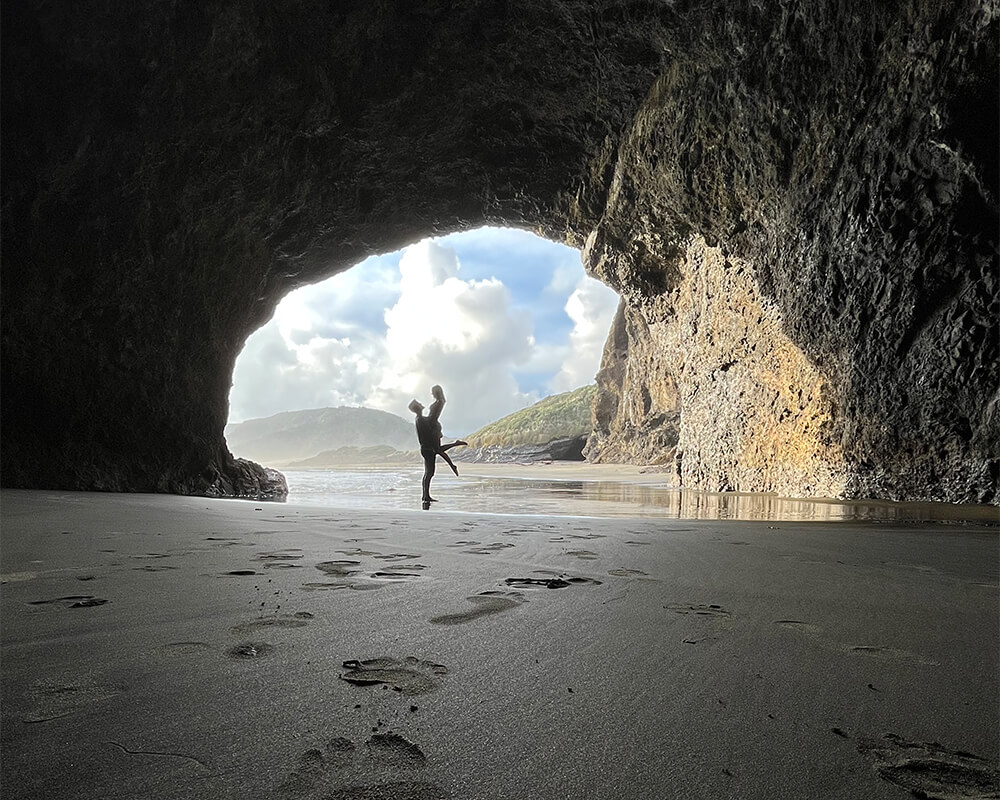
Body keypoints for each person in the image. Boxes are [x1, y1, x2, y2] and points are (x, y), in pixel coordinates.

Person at [409, 385, 466, 506]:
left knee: (429, 471)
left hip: (426, 447)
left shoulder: (420, 418)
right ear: (417, 408)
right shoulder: (421, 419)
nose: (420, 403)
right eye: (418, 404)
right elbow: (430, 420)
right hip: (427, 447)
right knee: (429, 472)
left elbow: (433, 415)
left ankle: (426, 495)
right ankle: (426, 495)